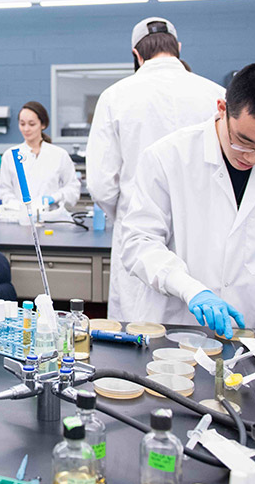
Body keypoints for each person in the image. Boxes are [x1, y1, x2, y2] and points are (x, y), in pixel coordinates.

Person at [119, 61, 255, 336]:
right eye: (243, 142)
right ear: (222, 109)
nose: (253, 157)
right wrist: (190, 289)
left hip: (250, 330)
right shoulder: (167, 157)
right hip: (174, 327)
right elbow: (140, 243)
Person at [85, 17, 226, 319]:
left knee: (139, 338)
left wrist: (126, 213)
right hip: (205, 233)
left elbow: (100, 184)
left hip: (139, 234)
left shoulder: (115, 96)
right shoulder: (216, 95)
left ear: (136, 55)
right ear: (178, 49)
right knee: (203, 336)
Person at [0, 101, 80, 209]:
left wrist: (54, 197)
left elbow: (73, 189)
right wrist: (19, 206)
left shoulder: (59, 155)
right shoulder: (10, 156)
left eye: (32, 124)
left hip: (52, 218)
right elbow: (4, 191)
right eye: (22, 124)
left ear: (43, 125)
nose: (26, 129)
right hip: (20, 218)